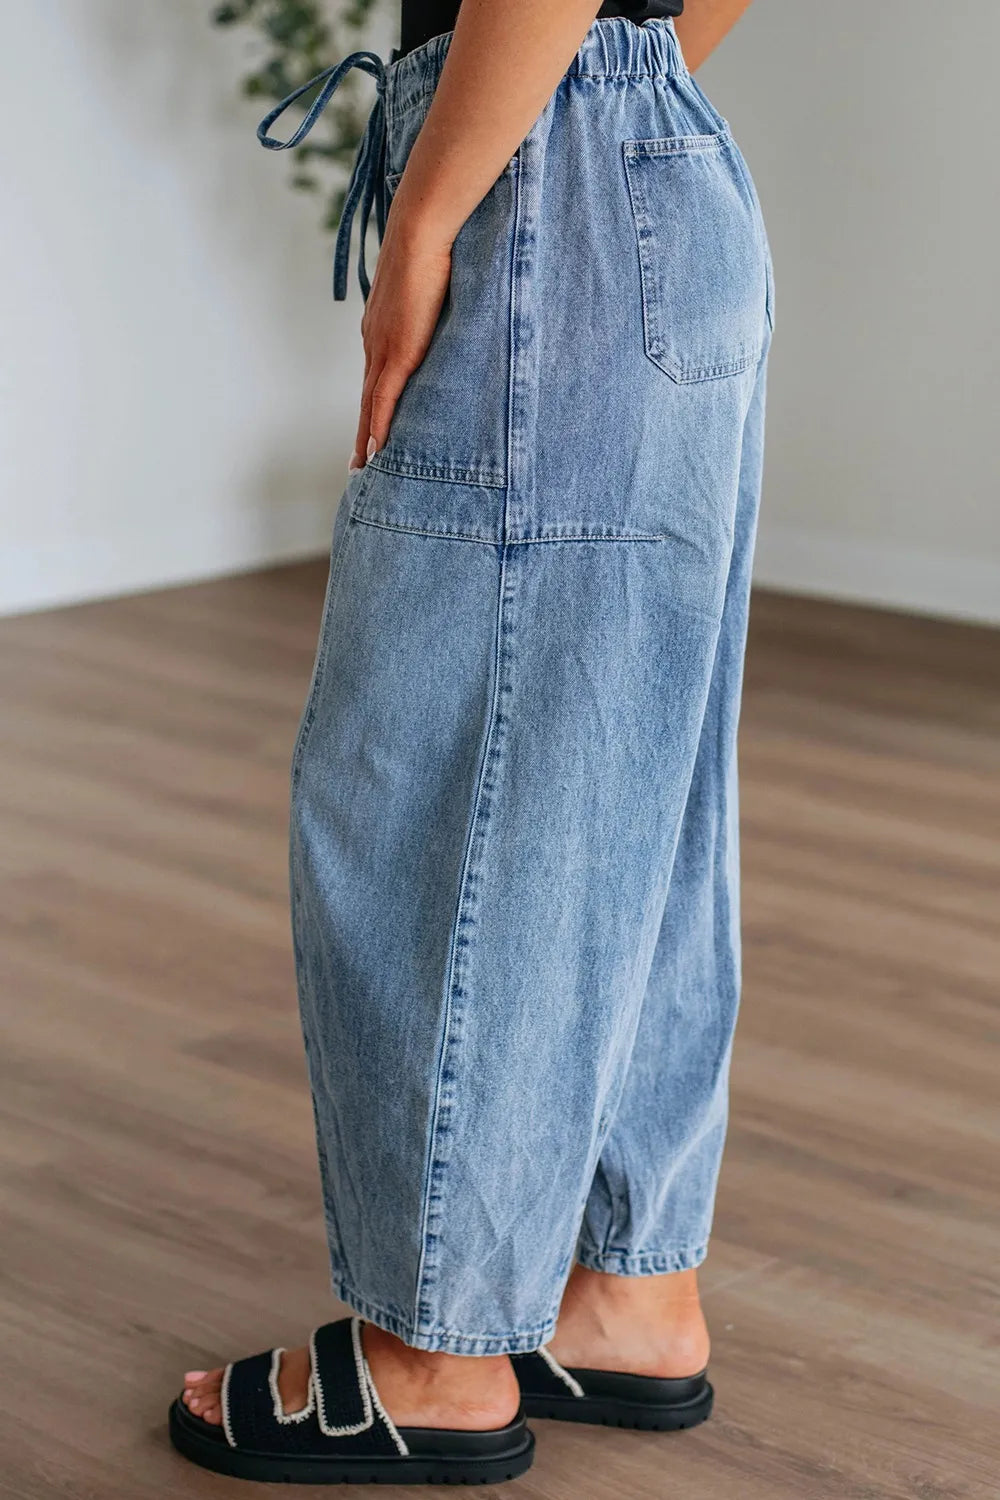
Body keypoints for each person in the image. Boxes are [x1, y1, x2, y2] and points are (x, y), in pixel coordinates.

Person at [170, 0, 770, 1483]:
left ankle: (433, 1353)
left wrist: (439, 200)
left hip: (550, 199)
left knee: (438, 773)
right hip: (662, 180)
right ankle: (629, 1287)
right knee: (634, 771)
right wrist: (614, 95)